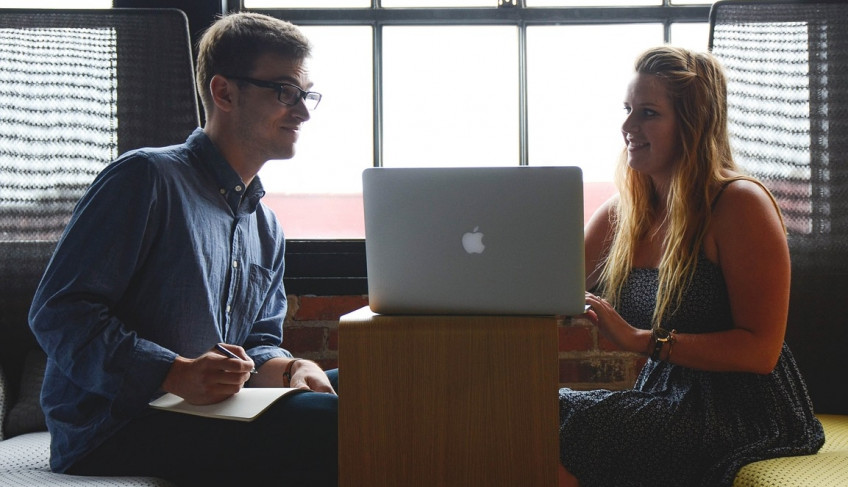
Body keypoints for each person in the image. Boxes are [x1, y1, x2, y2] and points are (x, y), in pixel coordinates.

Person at [28, 12, 338, 486]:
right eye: (284, 91)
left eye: (305, 94)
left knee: (376, 390)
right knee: (335, 423)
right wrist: (171, 372)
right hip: (117, 426)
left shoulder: (265, 226)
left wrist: (294, 366)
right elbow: (59, 312)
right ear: (224, 92)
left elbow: (256, 345)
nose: (303, 112)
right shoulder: (145, 179)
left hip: (215, 410)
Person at [558, 46, 824, 487]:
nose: (627, 126)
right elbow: (546, 290)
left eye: (647, 113)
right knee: (539, 414)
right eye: (627, 110)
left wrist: (640, 339)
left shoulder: (738, 205)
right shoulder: (623, 215)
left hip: (746, 412)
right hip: (664, 398)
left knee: (570, 429)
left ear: (692, 124)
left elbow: (761, 352)